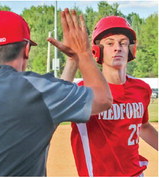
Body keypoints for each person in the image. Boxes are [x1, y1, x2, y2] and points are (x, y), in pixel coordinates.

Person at [0, 9, 112, 176]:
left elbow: (55, 105)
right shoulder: (39, 89)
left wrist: (72, 61)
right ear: (26, 50)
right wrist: (83, 53)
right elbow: (103, 99)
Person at [62, 16, 158, 176]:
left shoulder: (142, 89)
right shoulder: (84, 90)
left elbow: (144, 126)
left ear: (131, 50)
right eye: (110, 43)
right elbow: (57, 104)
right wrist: (73, 59)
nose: (117, 48)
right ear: (97, 50)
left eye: (123, 43)